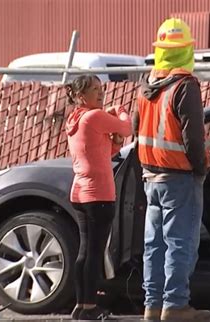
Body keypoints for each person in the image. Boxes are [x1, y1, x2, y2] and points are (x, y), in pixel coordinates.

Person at [134, 18, 210, 321]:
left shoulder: (146, 84)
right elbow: (194, 137)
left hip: (150, 176)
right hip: (179, 177)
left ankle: (152, 306)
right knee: (180, 243)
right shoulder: (185, 86)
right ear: (186, 50)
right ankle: (176, 305)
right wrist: (201, 169)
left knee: (153, 245)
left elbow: (134, 127)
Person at [64, 75, 132, 320]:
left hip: (80, 192)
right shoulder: (94, 116)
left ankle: (81, 305)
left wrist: (114, 136)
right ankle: (91, 307)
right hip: (99, 195)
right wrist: (120, 111)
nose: (101, 93)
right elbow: (127, 128)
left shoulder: (76, 119)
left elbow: (105, 150)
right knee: (94, 253)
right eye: (95, 90)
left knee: (85, 251)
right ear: (82, 96)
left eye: (101, 88)